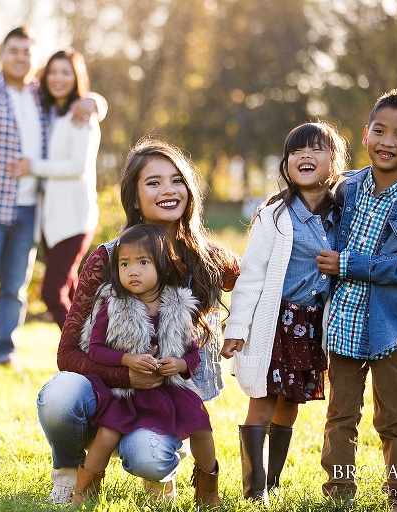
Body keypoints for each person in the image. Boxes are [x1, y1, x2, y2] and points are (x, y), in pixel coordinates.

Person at [37, 138, 240, 504]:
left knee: (149, 457)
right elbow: (67, 353)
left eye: (177, 179)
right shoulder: (109, 259)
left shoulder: (208, 259)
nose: (168, 189)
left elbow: (259, 284)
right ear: (134, 197)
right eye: (154, 182)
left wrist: (239, 332)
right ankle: (69, 476)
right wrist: (125, 374)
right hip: (107, 393)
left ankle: (161, 471)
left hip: (169, 398)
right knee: (60, 396)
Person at [0, 28, 102, 370]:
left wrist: (96, 102)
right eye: (14, 51)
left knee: (15, 288)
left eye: (27, 53)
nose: (20, 58)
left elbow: (79, 100)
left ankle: (5, 353)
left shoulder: (40, 96)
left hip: (31, 208)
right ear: (1, 54)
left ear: (35, 60)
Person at [315, 90, 397, 512]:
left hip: (390, 328)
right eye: (380, 131)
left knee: (392, 418)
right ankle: (339, 492)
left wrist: (349, 264)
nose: (388, 141)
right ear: (366, 134)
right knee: (341, 416)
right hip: (344, 324)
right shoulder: (346, 188)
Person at [220, 121, 348, 505]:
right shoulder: (275, 216)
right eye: (296, 151)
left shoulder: (341, 216)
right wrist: (237, 327)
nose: (305, 156)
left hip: (311, 326)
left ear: (334, 162)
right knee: (262, 399)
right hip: (275, 323)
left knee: (290, 404)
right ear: (286, 164)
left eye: (316, 149)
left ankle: (273, 480)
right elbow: (251, 276)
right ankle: (253, 489)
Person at [71, 223, 218, 505]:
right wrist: (127, 360)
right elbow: (96, 350)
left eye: (142, 262)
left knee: (201, 426)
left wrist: (178, 364)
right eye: (124, 264)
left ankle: (208, 489)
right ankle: (84, 492)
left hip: (170, 391)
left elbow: (192, 353)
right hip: (127, 392)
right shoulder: (113, 305)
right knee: (107, 433)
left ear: (162, 266)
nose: (132, 271)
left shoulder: (178, 306)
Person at [5, 48, 100, 330]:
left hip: (74, 218)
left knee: (52, 291)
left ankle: (77, 353)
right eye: (53, 72)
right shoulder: (48, 112)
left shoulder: (81, 115)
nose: (58, 78)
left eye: (65, 72)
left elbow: (77, 167)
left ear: (77, 77)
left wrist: (32, 166)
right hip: (50, 220)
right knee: (69, 291)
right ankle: (97, 352)